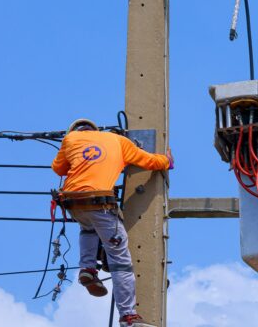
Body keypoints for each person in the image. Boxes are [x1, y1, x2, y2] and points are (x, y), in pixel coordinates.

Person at [51, 118, 173, 327]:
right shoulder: (119, 141)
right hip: (100, 204)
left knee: (87, 228)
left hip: (73, 203)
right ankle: (127, 316)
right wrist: (167, 161)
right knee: (121, 262)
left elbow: (59, 169)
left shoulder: (70, 139)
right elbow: (149, 161)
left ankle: (88, 269)